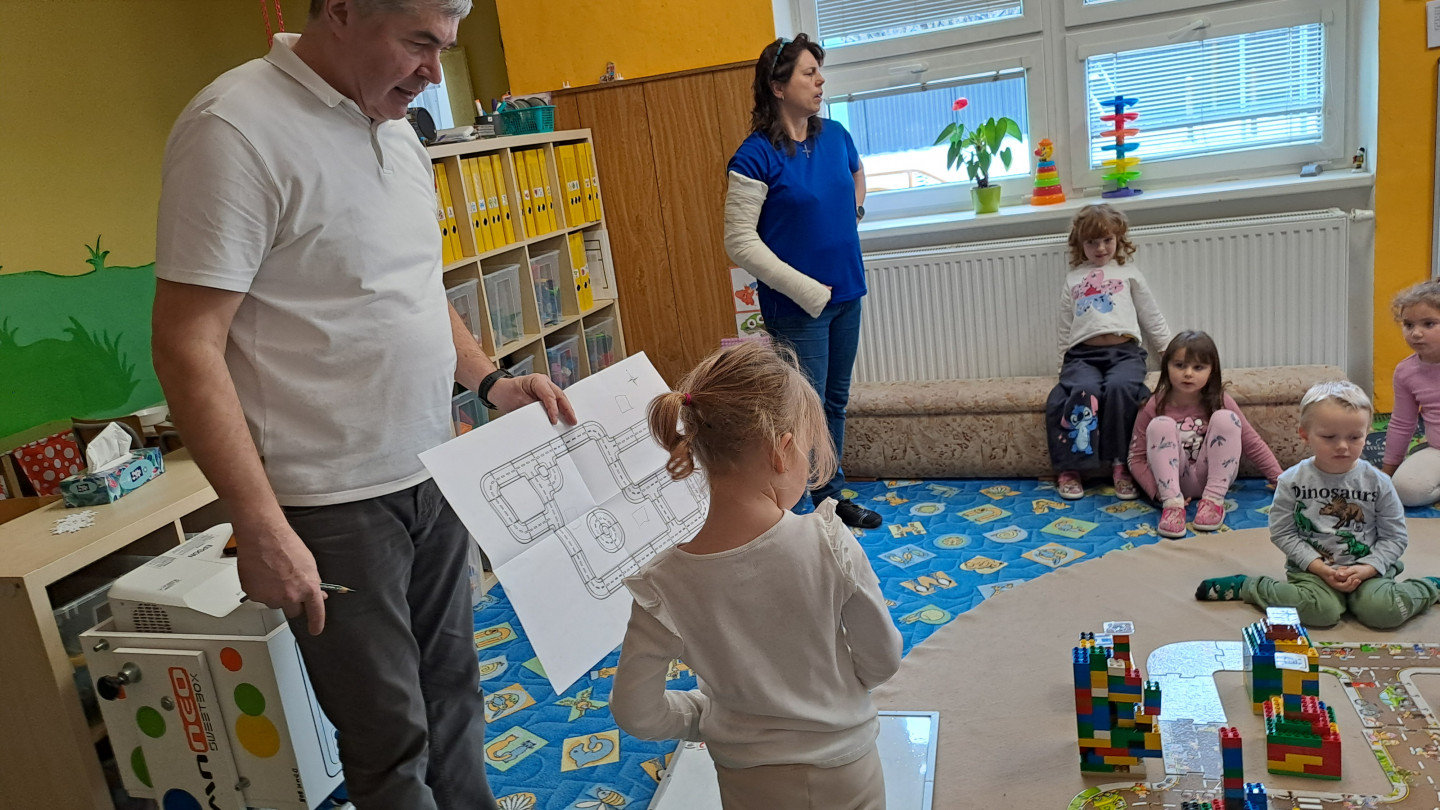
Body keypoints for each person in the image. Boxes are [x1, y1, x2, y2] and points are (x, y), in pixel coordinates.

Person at [150, 1, 574, 807]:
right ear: (341, 11)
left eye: (444, 47)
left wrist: (490, 382)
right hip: (331, 505)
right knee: (388, 734)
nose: (434, 72)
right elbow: (186, 344)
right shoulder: (233, 128)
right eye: (419, 42)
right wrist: (260, 527)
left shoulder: (398, 131)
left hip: (432, 469)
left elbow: (415, 287)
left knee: (455, 695)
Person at [610, 341, 903, 810]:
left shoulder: (661, 585)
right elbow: (882, 660)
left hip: (745, 777)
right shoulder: (830, 543)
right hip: (847, 765)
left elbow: (635, 712)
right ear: (783, 451)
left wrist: (703, 713)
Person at [723, 34, 881, 530]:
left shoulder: (835, 135)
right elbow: (739, 242)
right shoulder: (755, 156)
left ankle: (830, 497)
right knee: (799, 411)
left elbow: (857, 174)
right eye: (809, 73)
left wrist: (854, 212)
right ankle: (791, 509)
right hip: (797, 308)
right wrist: (806, 289)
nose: (820, 81)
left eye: (819, 72)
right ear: (777, 87)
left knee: (834, 402)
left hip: (847, 292)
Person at [1196, 382, 1440, 629]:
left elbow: (1395, 537)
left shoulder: (1379, 482)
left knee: (1384, 612)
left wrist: (1368, 568)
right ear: (1305, 435)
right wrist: (1318, 567)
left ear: (1367, 433)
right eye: (1329, 437)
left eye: (1354, 437)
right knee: (1321, 613)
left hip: (1371, 571)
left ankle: (1430, 587)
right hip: (1312, 572)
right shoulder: (1291, 481)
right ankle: (1249, 586)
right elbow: (1283, 532)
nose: (1342, 446)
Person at [1046, 203, 1172, 501]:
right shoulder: (1073, 279)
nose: (1100, 248)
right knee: (1083, 391)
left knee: (1121, 388)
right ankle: (1071, 469)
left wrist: (1170, 352)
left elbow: (1151, 315)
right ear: (1080, 244)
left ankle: (1121, 464)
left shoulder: (1128, 273)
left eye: (1107, 240)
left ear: (1119, 239)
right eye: (1092, 242)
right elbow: (1065, 325)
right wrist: (1062, 366)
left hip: (1125, 354)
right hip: (1082, 357)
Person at [1127, 330, 1282, 538]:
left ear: (1211, 371)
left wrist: (1280, 479)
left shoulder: (1220, 400)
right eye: (1179, 365)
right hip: (1173, 485)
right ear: (1166, 367)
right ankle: (1172, 507)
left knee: (1226, 418)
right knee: (1160, 425)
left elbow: (1252, 443)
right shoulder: (1154, 404)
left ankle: (1213, 502)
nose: (1188, 373)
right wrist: (1157, 493)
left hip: (1214, 480)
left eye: (1198, 367)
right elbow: (1136, 457)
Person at [1383, 279, 1440, 506]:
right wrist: (1387, 475)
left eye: (1429, 324)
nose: (1416, 333)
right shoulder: (1405, 372)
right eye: (1408, 325)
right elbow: (1402, 423)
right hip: (1437, 450)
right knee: (1405, 490)